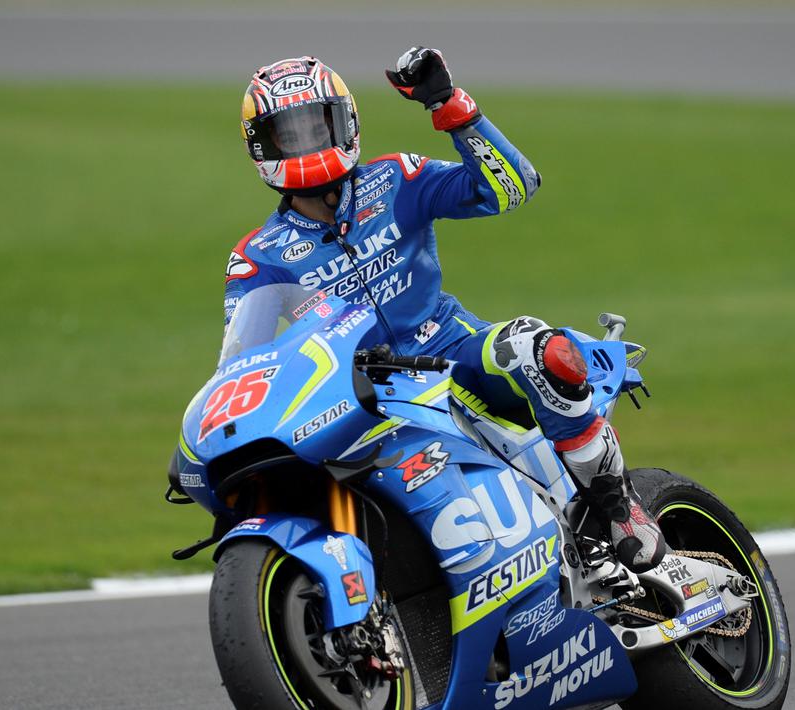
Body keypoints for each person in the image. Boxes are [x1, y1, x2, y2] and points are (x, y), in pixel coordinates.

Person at [224, 49, 667, 572]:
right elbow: (241, 371)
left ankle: (619, 507)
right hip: (361, 397)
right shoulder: (257, 259)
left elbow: (513, 187)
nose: (307, 143)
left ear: (344, 123)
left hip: (454, 352)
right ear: (263, 146)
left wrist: (451, 107)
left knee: (531, 345)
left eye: (316, 127)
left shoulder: (396, 178)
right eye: (289, 134)